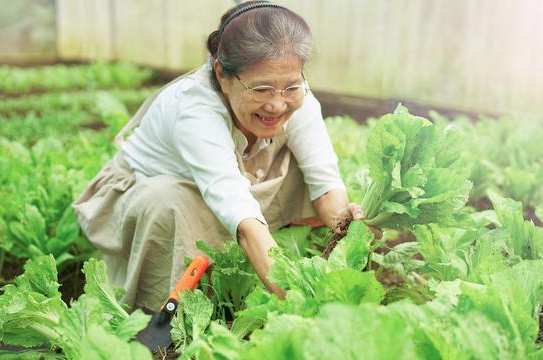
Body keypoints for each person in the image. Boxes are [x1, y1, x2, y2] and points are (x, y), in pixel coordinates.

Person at [72, 0, 364, 311]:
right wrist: (297, 302)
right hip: (150, 199)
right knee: (167, 200)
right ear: (222, 74)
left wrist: (347, 225)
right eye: (262, 89)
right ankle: (162, 311)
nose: (277, 105)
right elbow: (237, 207)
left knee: (298, 171)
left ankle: (254, 275)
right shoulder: (193, 107)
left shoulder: (297, 96)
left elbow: (324, 181)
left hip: (230, 191)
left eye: (291, 86)